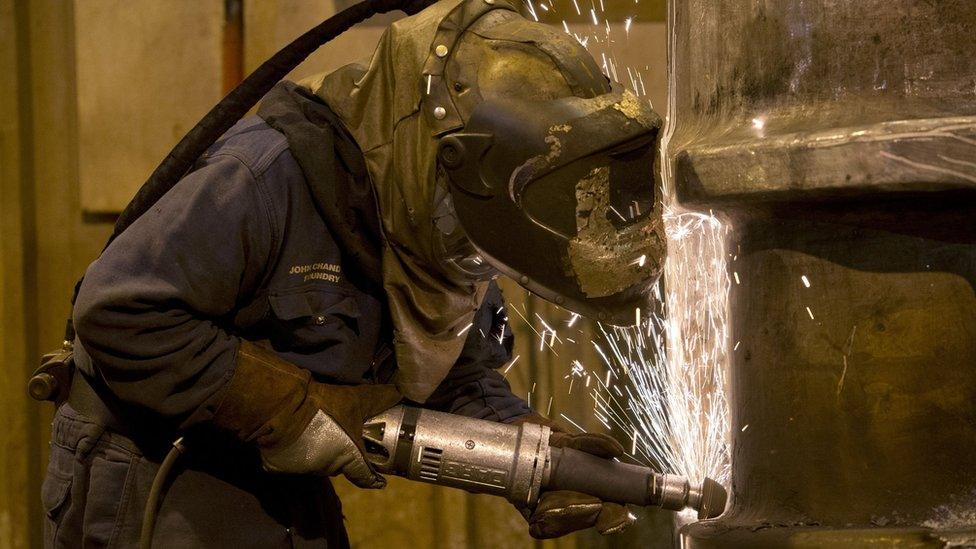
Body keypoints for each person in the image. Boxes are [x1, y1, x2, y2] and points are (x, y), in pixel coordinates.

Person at [41, 0, 664, 546]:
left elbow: (453, 377)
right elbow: (117, 310)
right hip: (153, 476)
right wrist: (291, 409)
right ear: (444, 156)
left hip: (282, 483)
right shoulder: (265, 180)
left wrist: (528, 452)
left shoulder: (454, 224)